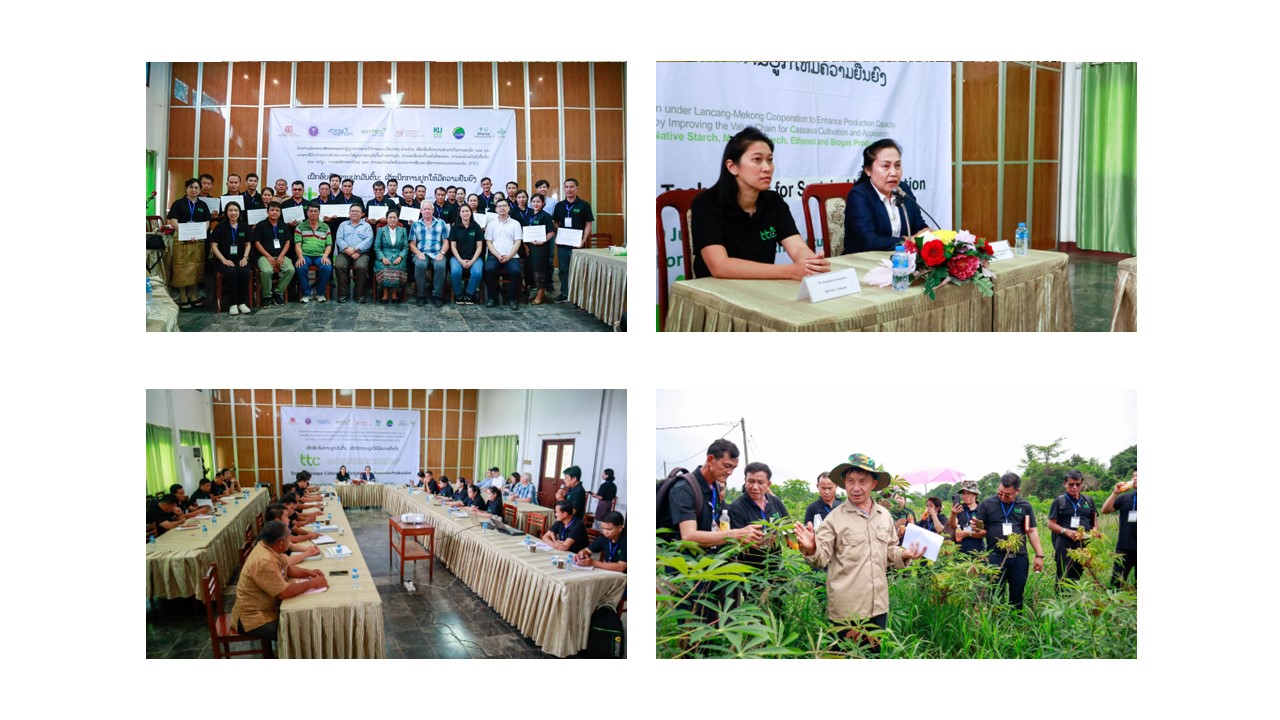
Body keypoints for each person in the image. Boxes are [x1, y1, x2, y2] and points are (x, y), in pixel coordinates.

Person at [792, 453, 924, 653]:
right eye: (851, 481)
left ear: (874, 483)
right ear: (844, 483)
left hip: (878, 605)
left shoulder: (884, 515)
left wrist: (903, 555)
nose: (855, 487)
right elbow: (820, 558)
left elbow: (890, 549)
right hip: (847, 609)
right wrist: (810, 547)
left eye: (862, 481)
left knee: (873, 656)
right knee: (846, 657)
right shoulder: (834, 518)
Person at [689, 127, 829, 280]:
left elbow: (798, 248)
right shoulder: (706, 203)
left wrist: (811, 263)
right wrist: (789, 271)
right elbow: (720, 266)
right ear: (732, 167)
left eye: (770, 160)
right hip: (716, 292)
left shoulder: (774, 202)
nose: (767, 168)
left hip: (762, 286)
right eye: (757, 160)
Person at [231, 521, 328, 657]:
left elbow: (287, 567)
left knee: (303, 622)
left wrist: (309, 572)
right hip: (253, 618)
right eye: (289, 538)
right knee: (299, 631)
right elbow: (284, 593)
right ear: (281, 543)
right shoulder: (264, 561)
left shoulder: (269, 547)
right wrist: (312, 584)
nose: (290, 541)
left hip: (266, 609)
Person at [842, 138, 931, 254]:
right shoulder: (859, 195)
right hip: (863, 262)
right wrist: (907, 241)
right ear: (868, 170)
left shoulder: (903, 190)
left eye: (898, 165)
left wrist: (928, 234)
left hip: (899, 261)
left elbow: (918, 226)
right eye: (885, 166)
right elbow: (869, 241)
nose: (894, 173)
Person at [974, 473, 1045, 610]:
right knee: (995, 596)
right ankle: (996, 628)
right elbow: (981, 530)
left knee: (1017, 596)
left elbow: (1031, 531)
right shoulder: (987, 504)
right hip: (995, 557)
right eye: (1000, 492)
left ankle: (1016, 625)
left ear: (1017, 491)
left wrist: (1039, 555)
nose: (1002, 496)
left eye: (1007, 495)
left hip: (1019, 558)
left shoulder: (1025, 506)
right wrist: (976, 528)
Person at [727, 461, 791, 567]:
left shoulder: (776, 502)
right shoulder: (736, 507)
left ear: (768, 484)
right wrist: (765, 540)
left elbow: (788, 527)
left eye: (760, 482)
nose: (755, 487)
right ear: (745, 481)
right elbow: (736, 542)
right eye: (751, 481)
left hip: (776, 566)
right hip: (750, 569)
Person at [1045, 470, 1101, 589]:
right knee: (1063, 573)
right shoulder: (1060, 501)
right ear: (1065, 484)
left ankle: (1073, 598)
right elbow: (1051, 524)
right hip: (1065, 543)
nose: (1074, 487)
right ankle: (1061, 599)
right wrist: (1067, 531)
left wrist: (1094, 530)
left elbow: (1094, 520)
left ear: (1082, 484)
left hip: (1084, 543)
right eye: (1071, 484)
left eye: (1078, 484)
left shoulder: (1088, 501)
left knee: (1077, 573)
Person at [166, 178, 213, 309]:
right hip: (182, 240)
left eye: (196, 188)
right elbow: (173, 220)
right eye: (191, 187)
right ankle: (183, 297)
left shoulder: (202, 205)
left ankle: (193, 295)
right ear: (186, 189)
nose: (194, 190)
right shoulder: (178, 203)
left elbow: (207, 222)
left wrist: (199, 233)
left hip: (198, 241)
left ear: (199, 190)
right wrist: (185, 233)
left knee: (197, 267)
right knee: (181, 267)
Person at [551, 178, 595, 302]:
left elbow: (588, 224)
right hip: (563, 244)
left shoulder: (584, 205)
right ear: (564, 189)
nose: (569, 189)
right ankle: (564, 293)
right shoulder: (559, 205)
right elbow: (556, 222)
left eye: (571, 187)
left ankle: (578, 296)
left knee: (578, 270)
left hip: (578, 244)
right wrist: (559, 236)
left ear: (577, 188)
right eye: (566, 187)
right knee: (563, 269)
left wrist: (583, 240)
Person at [210, 201, 253, 315]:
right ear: (226, 212)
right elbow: (214, 245)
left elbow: (248, 244)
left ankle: (242, 302)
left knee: (244, 272)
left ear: (239, 212)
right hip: (224, 259)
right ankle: (233, 304)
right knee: (232, 273)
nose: (233, 213)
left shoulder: (244, 226)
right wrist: (223, 260)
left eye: (236, 210)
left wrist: (245, 257)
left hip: (240, 258)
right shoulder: (220, 227)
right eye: (230, 210)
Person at [251, 201, 295, 307]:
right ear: (267, 212)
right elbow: (257, 243)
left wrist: (281, 256)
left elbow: (288, 242)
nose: (274, 212)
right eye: (272, 210)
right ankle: (266, 296)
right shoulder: (260, 225)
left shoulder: (283, 225)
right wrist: (268, 256)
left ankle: (278, 293)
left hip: (281, 256)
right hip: (264, 256)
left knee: (291, 269)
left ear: (280, 213)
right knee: (266, 271)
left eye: (277, 210)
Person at [484, 198, 523, 310]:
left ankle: (511, 299)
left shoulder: (515, 224)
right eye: (499, 206)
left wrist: (509, 256)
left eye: (504, 205)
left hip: (511, 256)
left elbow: (518, 241)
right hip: (495, 256)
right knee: (488, 270)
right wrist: (497, 255)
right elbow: (489, 242)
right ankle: (492, 298)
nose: (502, 208)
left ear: (509, 208)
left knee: (516, 271)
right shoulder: (491, 224)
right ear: (496, 209)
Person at [410, 202, 450, 307]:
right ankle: (421, 295)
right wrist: (418, 253)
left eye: (429, 209)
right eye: (425, 209)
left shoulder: (441, 223)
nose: (427, 211)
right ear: (421, 211)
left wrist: (442, 253)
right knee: (420, 265)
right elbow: (412, 244)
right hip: (421, 253)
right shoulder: (415, 224)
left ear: (433, 211)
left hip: (437, 253)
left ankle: (437, 295)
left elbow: (446, 241)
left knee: (440, 266)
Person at [1102, 470, 1138, 587]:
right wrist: (1115, 493)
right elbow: (1105, 510)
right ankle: (1114, 603)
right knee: (1116, 583)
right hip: (1124, 547)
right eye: (1134, 476)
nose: (1135, 479)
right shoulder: (1125, 498)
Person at [334, 204, 373, 303]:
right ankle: (343, 294)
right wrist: (349, 251)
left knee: (361, 266)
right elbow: (339, 239)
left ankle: (360, 294)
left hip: (361, 253)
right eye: (352, 211)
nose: (354, 213)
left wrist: (355, 250)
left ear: (362, 214)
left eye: (357, 211)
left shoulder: (366, 226)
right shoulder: (343, 225)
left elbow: (368, 240)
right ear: (349, 213)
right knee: (339, 265)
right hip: (344, 253)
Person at [294, 203, 333, 303]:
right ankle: (307, 293)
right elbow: (297, 244)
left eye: (315, 211)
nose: (313, 213)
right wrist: (300, 256)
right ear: (307, 212)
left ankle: (320, 293)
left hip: (320, 255)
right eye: (311, 211)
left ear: (319, 212)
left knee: (327, 267)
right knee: (300, 267)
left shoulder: (325, 226)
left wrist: (325, 256)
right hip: (305, 255)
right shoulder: (300, 226)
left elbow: (329, 244)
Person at [524, 193, 557, 304]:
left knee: (540, 270)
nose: (536, 204)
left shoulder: (546, 216)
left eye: (538, 202)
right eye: (533, 201)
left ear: (543, 203)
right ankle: (537, 293)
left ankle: (540, 295)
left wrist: (543, 240)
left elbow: (551, 232)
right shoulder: (528, 215)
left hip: (541, 248)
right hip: (530, 247)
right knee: (531, 270)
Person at [449, 203, 485, 304]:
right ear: (459, 214)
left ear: (471, 213)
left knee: (477, 273)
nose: (465, 213)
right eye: (463, 211)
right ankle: (458, 294)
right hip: (457, 258)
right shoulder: (455, 228)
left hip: (475, 258)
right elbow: (453, 247)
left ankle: (470, 294)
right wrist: (460, 260)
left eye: (467, 211)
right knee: (455, 272)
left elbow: (479, 247)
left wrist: (472, 261)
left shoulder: (476, 227)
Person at [374, 209, 409, 303]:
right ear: (387, 219)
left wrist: (400, 257)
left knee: (397, 268)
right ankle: (385, 293)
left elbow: (405, 247)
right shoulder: (381, 230)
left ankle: (394, 292)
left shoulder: (403, 230)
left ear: (398, 219)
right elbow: (377, 247)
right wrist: (383, 258)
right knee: (385, 268)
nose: (392, 220)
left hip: (398, 256)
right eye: (390, 217)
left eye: (394, 217)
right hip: (384, 256)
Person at [948, 480, 986, 555]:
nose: (966, 496)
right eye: (964, 493)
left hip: (978, 551)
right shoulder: (959, 508)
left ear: (976, 494)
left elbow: (985, 532)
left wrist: (968, 534)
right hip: (960, 550)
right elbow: (953, 525)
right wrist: (953, 514)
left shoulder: (982, 509)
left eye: (968, 493)